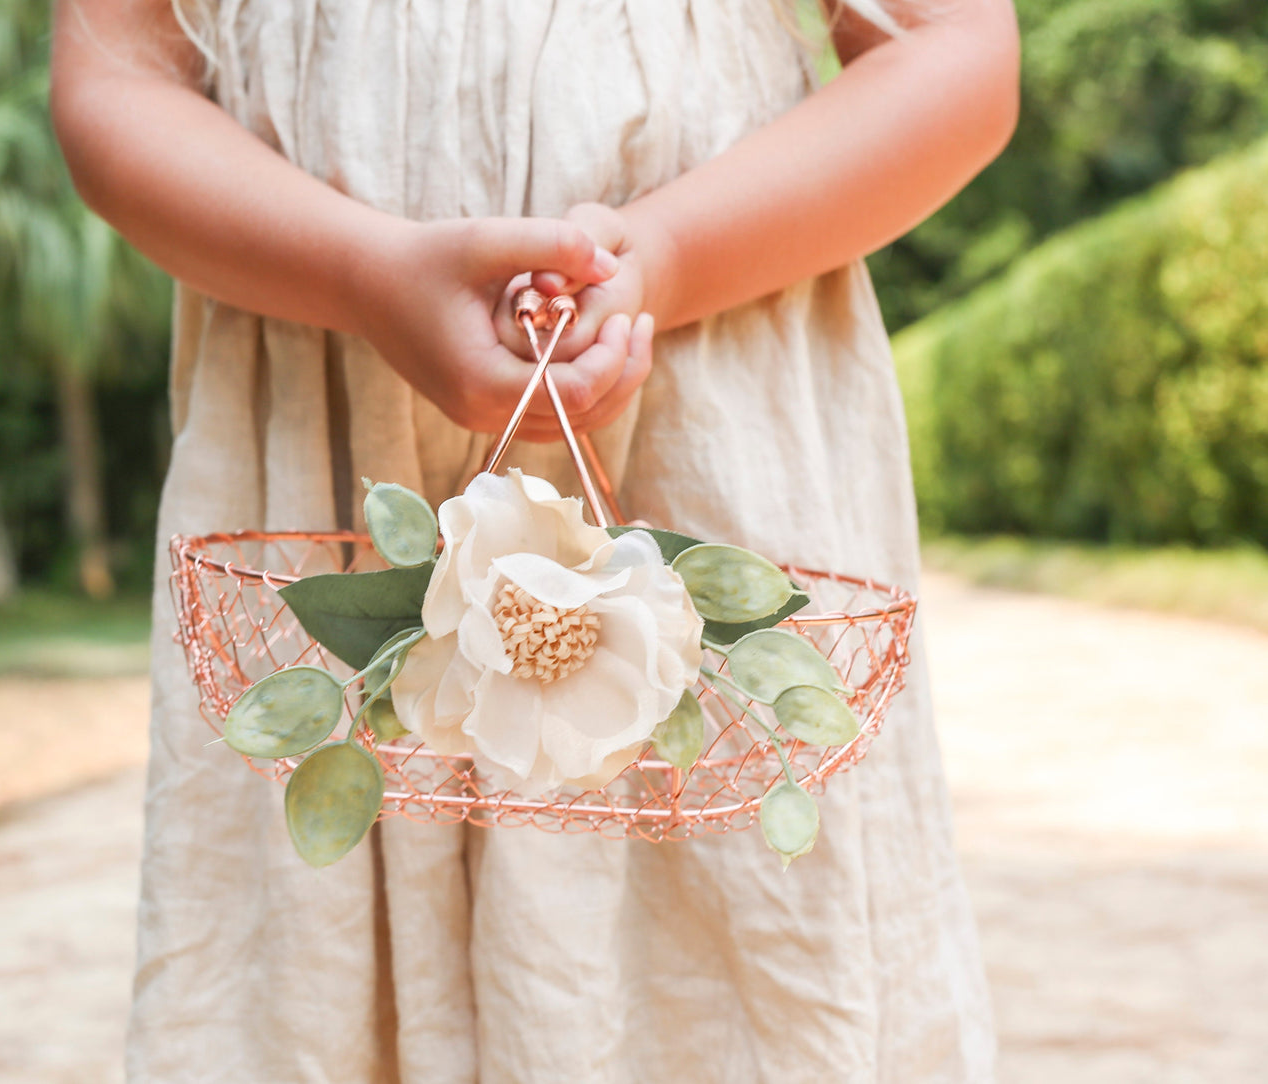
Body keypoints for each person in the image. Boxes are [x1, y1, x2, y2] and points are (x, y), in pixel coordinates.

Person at [50, 0, 1019, 1079]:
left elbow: (956, 50)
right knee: (318, 1000)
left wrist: (671, 254)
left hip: (705, 422)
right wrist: (362, 275)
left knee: (726, 984)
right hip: (327, 445)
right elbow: (117, 80)